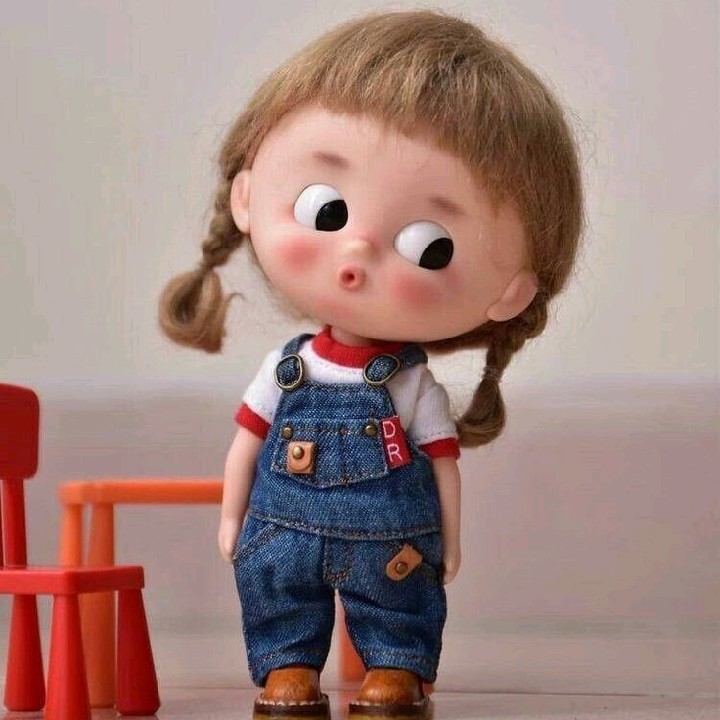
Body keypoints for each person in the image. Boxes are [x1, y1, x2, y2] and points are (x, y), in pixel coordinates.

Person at [159, 10, 583, 719]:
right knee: (278, 594)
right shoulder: (286, 368)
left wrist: (451, 539)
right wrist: (232, 518)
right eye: (324, 209)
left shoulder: (411, 384)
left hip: (392, 538)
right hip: (282, 527)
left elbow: (443, 464)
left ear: (511, 292)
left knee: (397, 599)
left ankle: (395, 666)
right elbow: (246, 445)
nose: (356, 252)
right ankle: (288, 667)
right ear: (246, 195)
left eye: (428, 245)